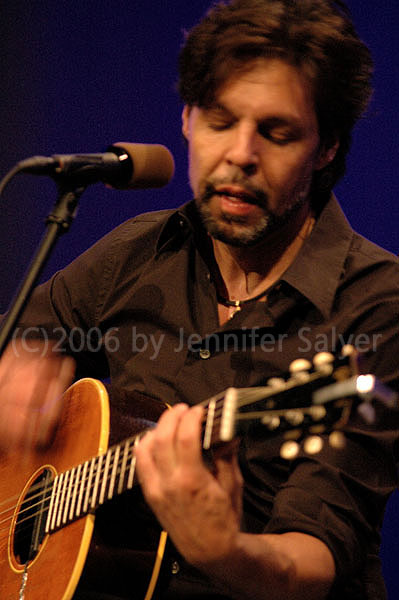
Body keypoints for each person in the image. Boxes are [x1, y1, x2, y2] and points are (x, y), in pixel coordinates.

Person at [1, 1, 399, 599]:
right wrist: (15, 368)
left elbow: (315, 558)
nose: (241, 154)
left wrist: (224, 551)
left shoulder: (376, 304)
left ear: (326, 149)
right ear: (186, 120)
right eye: (220, 121)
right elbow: (19, 345)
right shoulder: (135, 253)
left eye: (276, 132)